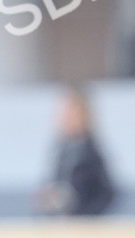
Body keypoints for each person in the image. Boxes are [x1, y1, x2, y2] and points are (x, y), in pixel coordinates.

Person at [37, 88, 116, 216]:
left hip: (84, 225)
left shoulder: (91, 151)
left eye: (74, 115)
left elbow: (107, 194)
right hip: (60, 224)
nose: (69, 119)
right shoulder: (60, 150)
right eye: (66, 114)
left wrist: (85, 214)